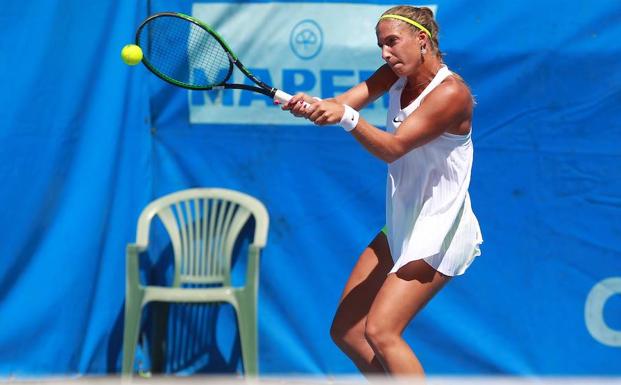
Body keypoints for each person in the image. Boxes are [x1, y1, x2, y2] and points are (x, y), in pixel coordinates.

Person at [282, 5, 483, 378]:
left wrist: (344, 117)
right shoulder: (393, 75)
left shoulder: (451, 93)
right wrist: (311, 104)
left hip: (442, 228)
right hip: (402, 222)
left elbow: (392, 146)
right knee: (346, 332)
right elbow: (344, 104)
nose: (385, 54)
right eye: (380, 45)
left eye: (392, 42)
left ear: (422, 40)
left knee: (381, 330)